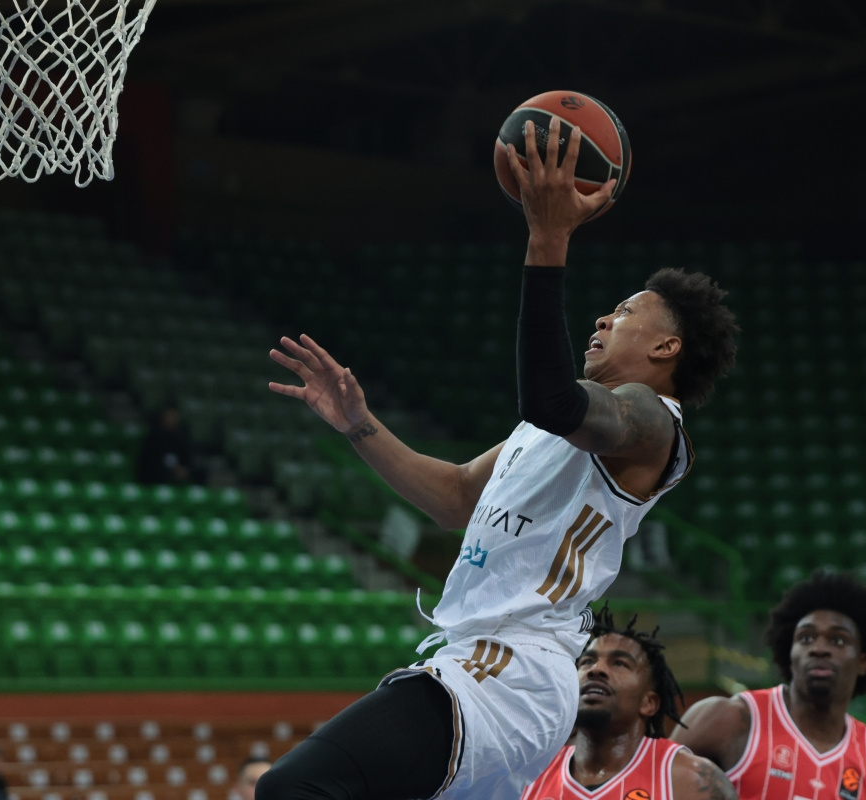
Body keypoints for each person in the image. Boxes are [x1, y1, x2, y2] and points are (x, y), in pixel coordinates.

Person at [256, 116, 738, 800]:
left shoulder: (651, 420)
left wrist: (548, 236)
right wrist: (360, 426)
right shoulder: (551, 429)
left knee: (295, 787)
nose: (603, 320)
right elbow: (455, 496)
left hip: (513, 671)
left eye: (625, 313)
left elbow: (551, 398)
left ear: (667, 349)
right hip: (481, 661)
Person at [670, 571, 866, 800]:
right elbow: (653, 781)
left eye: (837, 640)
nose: (818, 649)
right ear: (790, 654)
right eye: (806, 638)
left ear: (863, 662)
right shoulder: (729, 719)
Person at [521, 607, 738, 800]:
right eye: (587, 661)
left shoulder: (691, 780)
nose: (596, 669)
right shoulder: (528, 774)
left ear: (648, 703)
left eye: (619, 663)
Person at [135, 405, 201, 485]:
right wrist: (172, 471)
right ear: (162, 418)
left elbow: (187, 459)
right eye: (169, 416)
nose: (173, 420)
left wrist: (184, 470)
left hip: (177, 480)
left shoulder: (182, 438)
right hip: (155, 480)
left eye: (175, 417)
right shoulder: (152, 439)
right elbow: (149, 464)